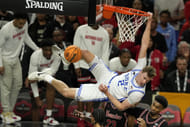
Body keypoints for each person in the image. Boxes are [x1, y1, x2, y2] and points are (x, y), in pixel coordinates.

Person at [28, 13, 155, 111]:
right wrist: (149, 22)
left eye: (146, 81)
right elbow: (144, 44)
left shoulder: (138, 94)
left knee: (66, 92)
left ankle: (45, 76)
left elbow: (121, 107)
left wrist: (106, 93)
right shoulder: (140, 67)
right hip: (108, 75)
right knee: (86, 53)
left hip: (103, 91)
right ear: (142, 71)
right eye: (144, 78)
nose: (144, 82)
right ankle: (66, 57)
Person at [0, 13, 39, 124]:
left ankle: (10, 112)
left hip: (15, 59)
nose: (22, 25)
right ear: (15, 20)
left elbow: (26, 37)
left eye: (24, 23)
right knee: (6, 87)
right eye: (20, 23)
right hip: (5, 59)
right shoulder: (5, 30)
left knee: (17, 84)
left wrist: (37, 49)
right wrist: (0, 64)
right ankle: (5, 113)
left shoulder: (24, 24)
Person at [73, 23, 110, 126]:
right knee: (81, 93)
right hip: (82, 65)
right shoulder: (81, 29)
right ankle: (80, 119)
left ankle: (89, 118)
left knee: (92, 94)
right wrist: (76, 65)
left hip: (97, 67)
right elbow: (75, 47)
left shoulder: (104, 33)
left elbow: (105, 53)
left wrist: (104, 70)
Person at [25, 39, 61, 125]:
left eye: (50, 50)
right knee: (35, 102)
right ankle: (35, 124)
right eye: (46, 50)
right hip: (38, 77)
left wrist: (36, 77)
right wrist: (37, 99)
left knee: (51, 84)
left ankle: (48, 116)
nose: (48, 52)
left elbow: (52, 72)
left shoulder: (57, 55)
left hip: (45, 76)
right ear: (41, 49)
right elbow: (32, 80)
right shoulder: (35, 56)